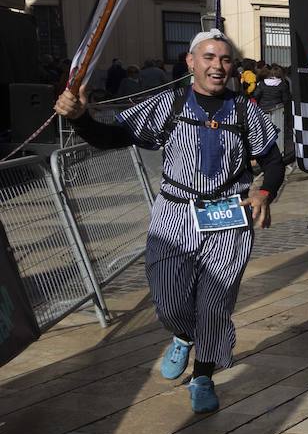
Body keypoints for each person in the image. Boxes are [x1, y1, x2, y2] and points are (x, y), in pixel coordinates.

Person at [54, 29, 283, 413]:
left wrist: (263, 192)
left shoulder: (247, 110)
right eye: (208, 57)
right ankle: (182, 334)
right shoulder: (168, 104)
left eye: (225, 59)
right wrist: (80, 118)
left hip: (228, 216)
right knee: (170, 301)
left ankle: (203, 376)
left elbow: (274, 161)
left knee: (214, 304)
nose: (218, 66)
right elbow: (113, 138)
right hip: (174, 214)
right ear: (190, 62)